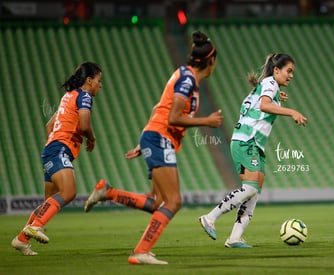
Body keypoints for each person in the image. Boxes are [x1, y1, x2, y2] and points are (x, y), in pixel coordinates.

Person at [83, 31, 223, 265]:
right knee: (173, 201)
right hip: (160, 137)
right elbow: (173, 117)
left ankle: (107, 192)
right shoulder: (187, 80)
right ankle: (141, 251)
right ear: (211, 61)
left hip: (155, 136)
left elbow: (158, 107)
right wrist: (206, 122)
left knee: (157, 202)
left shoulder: (185, 77)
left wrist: (144, 140)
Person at [199, 53, 308, 248]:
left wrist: (277, 98)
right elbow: (264, 106)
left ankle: (235, 238)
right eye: (288, 71)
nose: (291, 75)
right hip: (246, 141)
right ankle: (210, 217)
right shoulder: (270, 84)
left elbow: (261, 104)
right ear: (276, 70)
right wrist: (292, 111)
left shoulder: (267, 86)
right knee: (250, 188)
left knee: (254, 192)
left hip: (254, 144)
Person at [11, 62, 103, 256]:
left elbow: (49, 126)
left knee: (49, 202)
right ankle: (35, 227)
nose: (100, 85)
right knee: (69, 192)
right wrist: (92, 139)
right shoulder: (84, 96)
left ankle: (21, 239)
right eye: (98, 80)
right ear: (89, 80)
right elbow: (85, 124)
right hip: (58, 150)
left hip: (51, 149)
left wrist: (54, 145)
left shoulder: (68, 96)